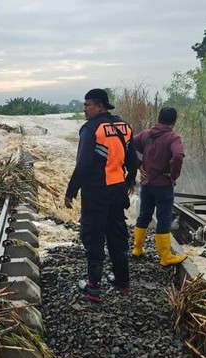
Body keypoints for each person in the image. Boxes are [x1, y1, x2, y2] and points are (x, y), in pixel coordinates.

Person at [65, 89, 138, 301]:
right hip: (117, 191)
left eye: (87, 105)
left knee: (93, 234)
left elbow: (84, 163)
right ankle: (123, 281)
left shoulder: (90, 129)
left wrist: (71, 191)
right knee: (117, 233)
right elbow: (132, 158)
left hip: (96, 192)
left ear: (99, 106)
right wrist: (130, 179)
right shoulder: (124, 126)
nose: (84, 109)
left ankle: (93, 287)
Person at [130, 106, 186, 266]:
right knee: (163, 218)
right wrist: (173, 175)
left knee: (144, 215)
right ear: (174, 122)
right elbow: (177, 156)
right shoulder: (173, 138)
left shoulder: (147, 134)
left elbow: (128, 145)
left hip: (146, 185)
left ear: (158, 118)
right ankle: (165, 256)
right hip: (163, 186)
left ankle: (137, 249)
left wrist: (138, 164)